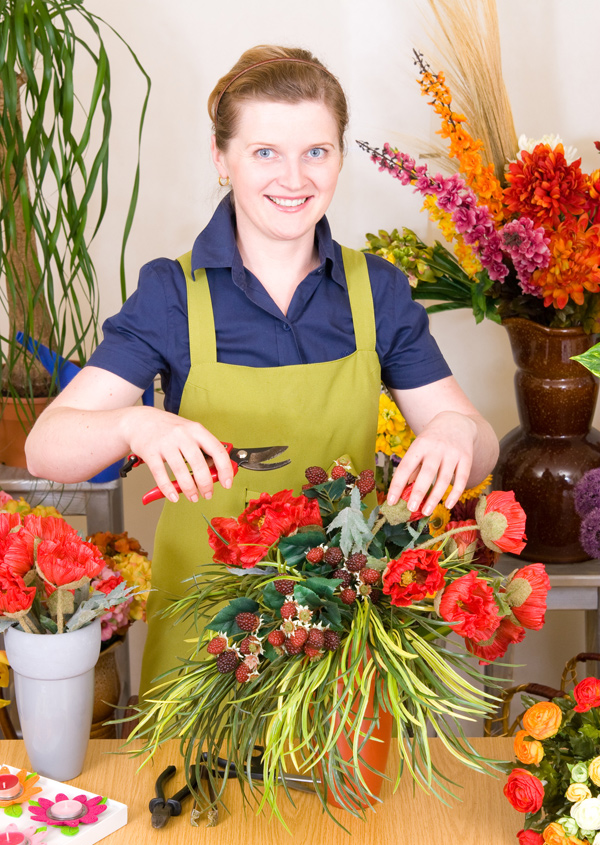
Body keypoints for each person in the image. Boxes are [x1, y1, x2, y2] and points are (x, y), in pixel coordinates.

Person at [25, 45, 499, 695]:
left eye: (316, 151)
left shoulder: (376, 291)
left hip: (339, 632)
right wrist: (137, 424)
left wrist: (455, 433)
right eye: (265, 152)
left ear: (338, 156)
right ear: (222, 159)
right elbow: (46, 449)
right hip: (205, 641)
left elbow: (479, 446)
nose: (294, 177)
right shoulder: (172, 294)